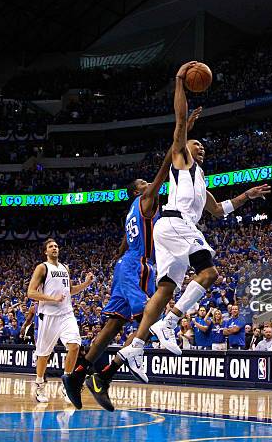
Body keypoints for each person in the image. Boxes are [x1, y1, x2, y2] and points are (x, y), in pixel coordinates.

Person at [117, 61, 270, 381]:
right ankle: (170, 323)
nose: (198, 144)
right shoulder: (181, 162)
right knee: (209, 271)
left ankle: (135, 347)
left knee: (165, 288)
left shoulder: (200, 181)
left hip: (170, 230)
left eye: (200, 144)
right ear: (183, 148)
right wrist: (178, 84)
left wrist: (248, 196)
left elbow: (220, 211)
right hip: (175, 224)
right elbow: (179, 121)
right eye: (192, 141)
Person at [79, 101, 202, 413]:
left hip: (127, 263)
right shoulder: (146, 201)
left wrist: (118, 260)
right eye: (144, 185)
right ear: (138, 192)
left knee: (114, 323)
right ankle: (133, 355)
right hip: (137, 266)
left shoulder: (132, 214)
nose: (150, 186)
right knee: (150, 314)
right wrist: (184, 130)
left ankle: (81, 372)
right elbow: (167, 164)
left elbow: (123, 243)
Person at [26, 238, 94, 408]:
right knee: (43, 354)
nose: (54, 248)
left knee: (75, 346)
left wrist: (86, 284)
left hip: (66, 314)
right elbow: (31, 292)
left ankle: (67, 383)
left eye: (56, 246)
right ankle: (40, 385)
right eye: (51, 246)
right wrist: (52, 298)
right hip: (48, 315)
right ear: (45, 251)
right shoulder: (42, 268)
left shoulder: (65, 268)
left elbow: (69, 290)